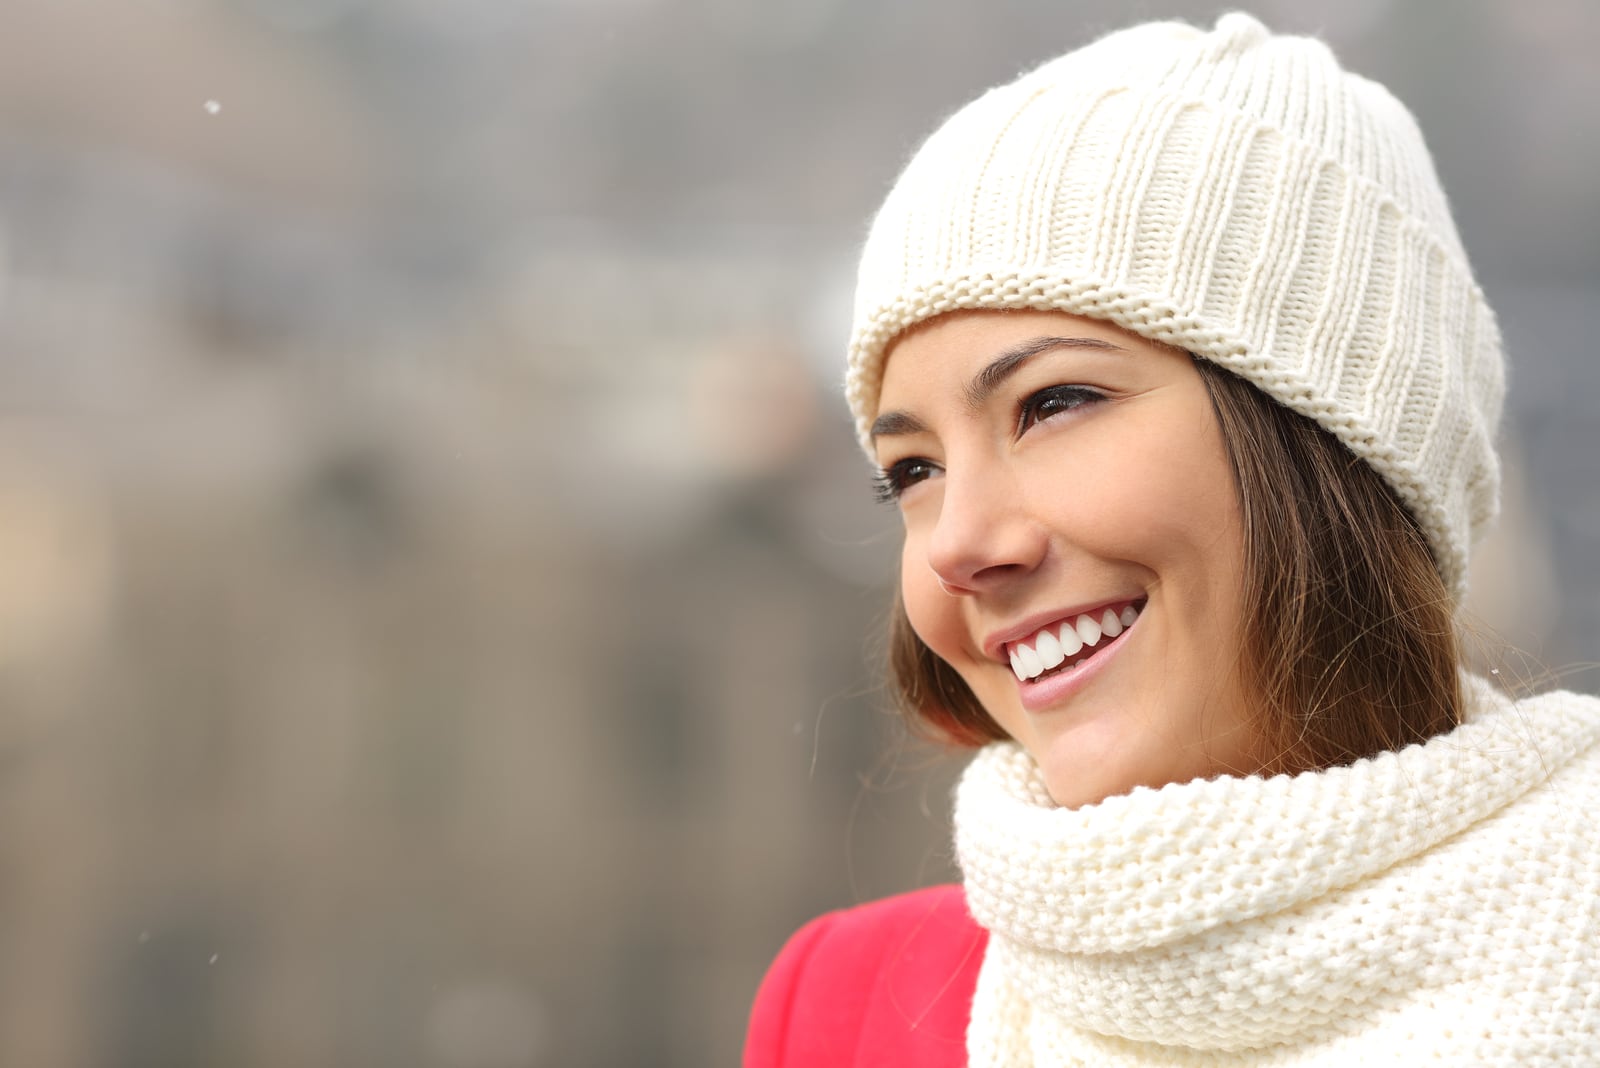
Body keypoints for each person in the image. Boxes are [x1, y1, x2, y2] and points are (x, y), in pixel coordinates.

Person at [743, 12, 1600, 1067]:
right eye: (912, 472)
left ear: (1333, 442)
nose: (958, 542)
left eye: (1052, 404)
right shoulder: (847, 1008)